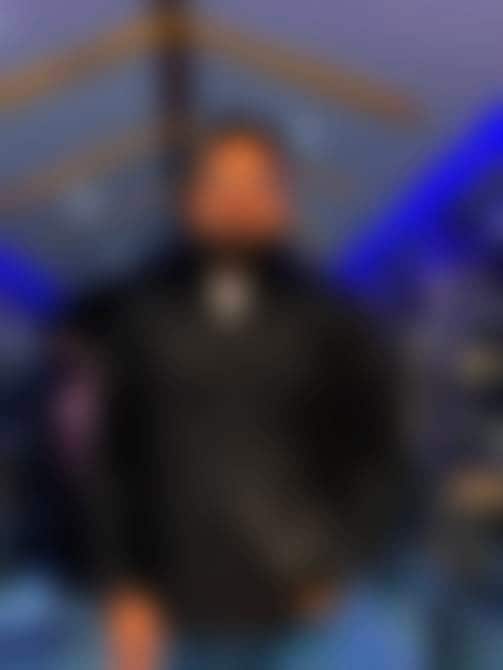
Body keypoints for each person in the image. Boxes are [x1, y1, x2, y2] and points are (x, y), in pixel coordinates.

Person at [94, 116, 402, 670]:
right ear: (190, 200)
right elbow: (117, 457)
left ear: (283, 200)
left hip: (305, 601)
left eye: (257, 184)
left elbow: (373, 448)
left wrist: (334, 558)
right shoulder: (141, 318)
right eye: (221, 184)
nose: (238, 201)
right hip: (178, 602)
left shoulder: (331, 320)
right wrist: (127, 583)